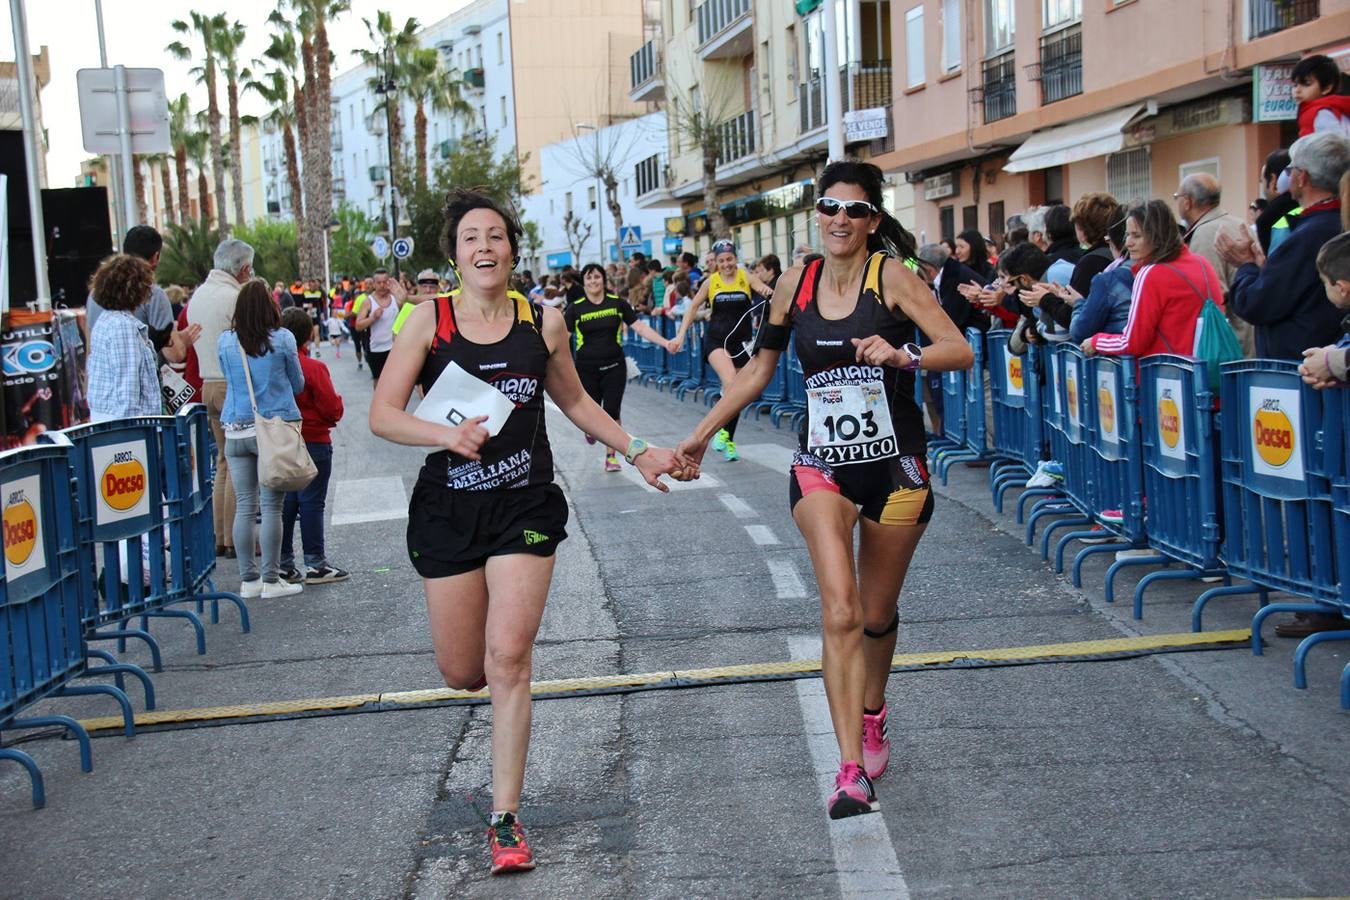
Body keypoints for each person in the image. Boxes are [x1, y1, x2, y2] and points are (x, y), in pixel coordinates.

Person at [368, 188, 685, 875]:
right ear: (455, 256)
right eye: (471, 238)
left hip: (524, 507)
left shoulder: (543, 322)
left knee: (509, 658)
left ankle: (505, 818)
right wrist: (443, 435)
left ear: (513, 250)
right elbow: (382, 414)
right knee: (463, 672)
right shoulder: (427, 321)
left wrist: (637, 450)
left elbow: (575, 400)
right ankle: (488, 711)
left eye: (496, 236)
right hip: (451, 510)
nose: (484, 247)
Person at [674, 160, 972, 820]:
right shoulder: (794, 283)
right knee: (840, 609)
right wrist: (700, 435)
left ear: (872, 219)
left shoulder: (893, 277)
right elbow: (757, 373)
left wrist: (905, 356)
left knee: (876, 616)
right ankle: (849, 771)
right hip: (823, 465)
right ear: (818, 214)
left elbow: (960, 349)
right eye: (830, 207)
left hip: (896, 467)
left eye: (855, 210)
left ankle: (873, 711)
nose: (841, 219)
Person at [1221, 132, 1350, 361]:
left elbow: (1257, 303)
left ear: (1302, 178)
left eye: (1290, 170)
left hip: (1300, 366)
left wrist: (1246, 266)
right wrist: (1264, 269)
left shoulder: (1309, 234)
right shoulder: (1336, 222)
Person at [217, 280, 306, 599]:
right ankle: (271, 579)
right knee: (271, 507)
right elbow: (298, 383)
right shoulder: (282, 339)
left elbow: (228, 377)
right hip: (271, 429)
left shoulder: (226, 341)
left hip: (235, 428)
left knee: (245, 505)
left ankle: (248, 580)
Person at [668, 239, 776, 462]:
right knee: (731, 383)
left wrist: (769, 293)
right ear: (716, 263)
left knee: (737, 393)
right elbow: (693, 307)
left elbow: (764, 289)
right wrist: (680, 335)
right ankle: (717, 432)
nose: (726, 264)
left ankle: (728, 437)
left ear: (736, 258)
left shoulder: (746, 277)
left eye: (729, 259)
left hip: (741, 343)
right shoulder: (711, 282)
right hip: (717, 341)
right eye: (721, 261)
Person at [565, 263, 674, 471]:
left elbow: (640, 327)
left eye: (597, 277)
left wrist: (665, 343)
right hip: (586, 369)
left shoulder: (617, 303)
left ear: (604, 280)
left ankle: (611, 457)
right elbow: (562, 338)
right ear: (584, 283)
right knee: (592, 413)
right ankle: (590, 429)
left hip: (615, 366)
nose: (593, 281)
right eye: (589, 278)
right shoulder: (575, 308)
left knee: (612, 410)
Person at [1083, 200, 1223, 359]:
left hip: (1165, 370)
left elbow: (1132, 342)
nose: (1128, 243)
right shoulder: (1202, 264)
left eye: (1136, 235)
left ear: (1157, 236)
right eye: (1127, 235)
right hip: (1209, 366)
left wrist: (1096, 342)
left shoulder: (1150, 274)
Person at [188, 238, 255, 558]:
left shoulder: (199, 295)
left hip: (208, 383)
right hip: (233, 385)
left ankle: (219, 535)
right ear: (244, 269)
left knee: (223, 462)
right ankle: (233, 538)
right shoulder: (235, 296)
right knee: (239, 464)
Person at [277, 307, 348, 585]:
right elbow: (331, 408)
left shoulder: (274, 367)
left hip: (282, 439)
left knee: (286, 504)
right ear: (308, 335)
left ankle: (283, 562)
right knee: (312, 501)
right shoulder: (313, 368)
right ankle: (315, 562)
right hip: (314, 438)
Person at [1174, 173, 1254, 355]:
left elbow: (1210, 293)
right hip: (1250, 335)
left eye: (1177, 197)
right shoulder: (1239, 223)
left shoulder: (1205, 233)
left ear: (1187, 202)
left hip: (1229, 344)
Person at [86, 254, 167, 420]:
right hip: (127, 426)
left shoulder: (106, 320)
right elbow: (127, 386)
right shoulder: (123, 327)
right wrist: (132, 429)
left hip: (108, 419)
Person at [1068, 210, 1134, 343]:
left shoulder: (1107, 280)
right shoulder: (1161, 269)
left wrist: (1078, 304)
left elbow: (1080, 332)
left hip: (1118, 353)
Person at [353, 267, 409, 381]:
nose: (382, 285)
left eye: (385, 282)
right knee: (378, 380)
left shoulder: (396, 299)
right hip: (375, 348)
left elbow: (407, 312)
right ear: (374, 284)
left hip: (394, 347)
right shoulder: (368, 301)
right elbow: (358, 326)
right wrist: (372, 317)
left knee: (395, 379)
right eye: (379, 283)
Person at [1292, 54, 1350, 138]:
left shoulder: (1321, 113)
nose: (1297, 90)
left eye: (1307, 84)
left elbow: (1335, 144)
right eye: (1295, 85)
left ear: (1327, 88)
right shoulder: (1330, 110)